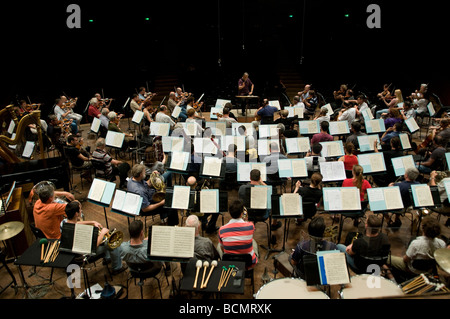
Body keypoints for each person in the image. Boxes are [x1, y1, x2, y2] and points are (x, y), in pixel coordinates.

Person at [62, 201, 127, 275]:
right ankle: (117, 268)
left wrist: (92, 222)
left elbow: (75, 223)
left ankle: (108, 258)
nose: (81, 211)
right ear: (76, 214)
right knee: (110, 243)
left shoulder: (63, 222)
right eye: (80, 209)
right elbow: (93, 247)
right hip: (83, 256)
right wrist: (102, 233)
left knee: (103, 240)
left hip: (73, 251)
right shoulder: (79, 232)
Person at [389, 217, 446, 281]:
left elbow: (405, 260)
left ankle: (394, 279)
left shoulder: (416, 243)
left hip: (413, 270)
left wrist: (402, 257)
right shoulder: (442, 243)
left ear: (423, 229)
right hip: (429, 269)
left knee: (388, 258)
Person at [217, 199, 259, 268]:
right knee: (253, 241)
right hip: (248, 263)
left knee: (219, 244)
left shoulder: (222, 229)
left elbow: (223, 249)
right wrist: (246, 220)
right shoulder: (250, 226)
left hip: (230, 263)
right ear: (242, 213)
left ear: (230, 213)